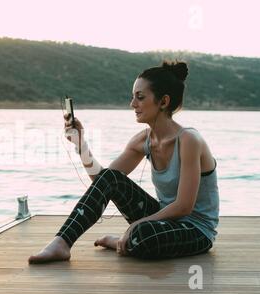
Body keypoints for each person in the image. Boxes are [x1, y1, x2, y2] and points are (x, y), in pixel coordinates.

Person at [28, 60, 219, 263]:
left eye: (140, 97)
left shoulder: (189, 140)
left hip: (195, 230)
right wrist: (80, 144)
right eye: (132, 97)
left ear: (163, 102)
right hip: (163, 219)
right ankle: (62, 243)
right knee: (113, 179)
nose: (132, 104)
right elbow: (104, 182)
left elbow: (184, 207)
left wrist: (136, 225)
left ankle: (125, 240)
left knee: (144, 234)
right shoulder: (142, 140)